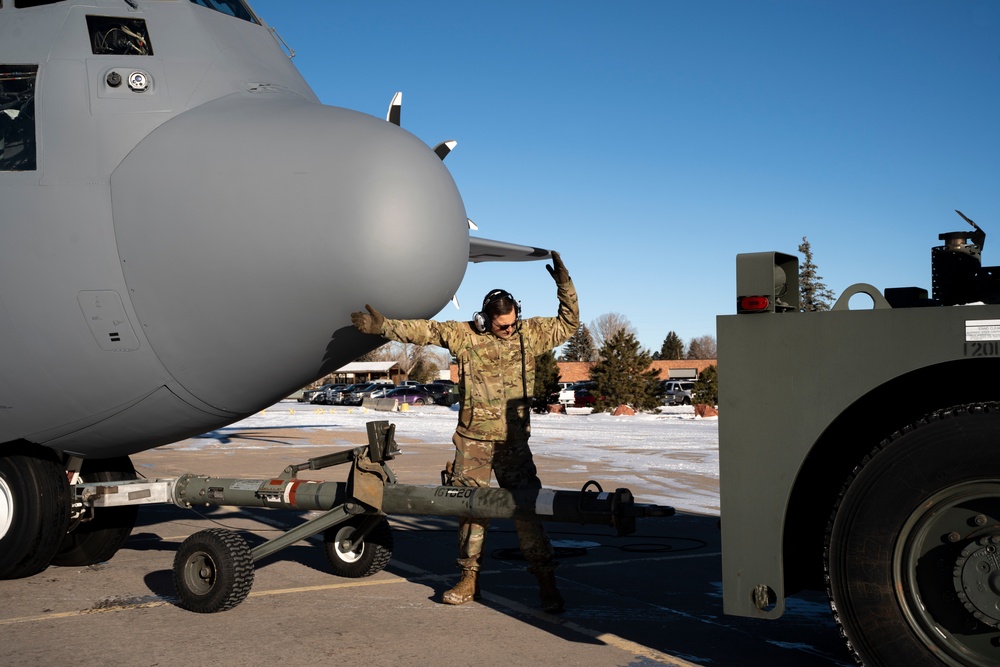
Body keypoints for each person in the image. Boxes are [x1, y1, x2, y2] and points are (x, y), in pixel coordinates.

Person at [350, 251, 579, 612]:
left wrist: (564, 285)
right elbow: (426, 330)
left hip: (514, 445)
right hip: (473, 443)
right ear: (484, 319)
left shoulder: (529, 334)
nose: (508, 329)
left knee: (527, 513)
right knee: (471, 512)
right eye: (501, 325)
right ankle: (468, 579)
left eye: (512, 322)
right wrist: (383, 326)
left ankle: (546, 582)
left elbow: (569, 323)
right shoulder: (467, 336)